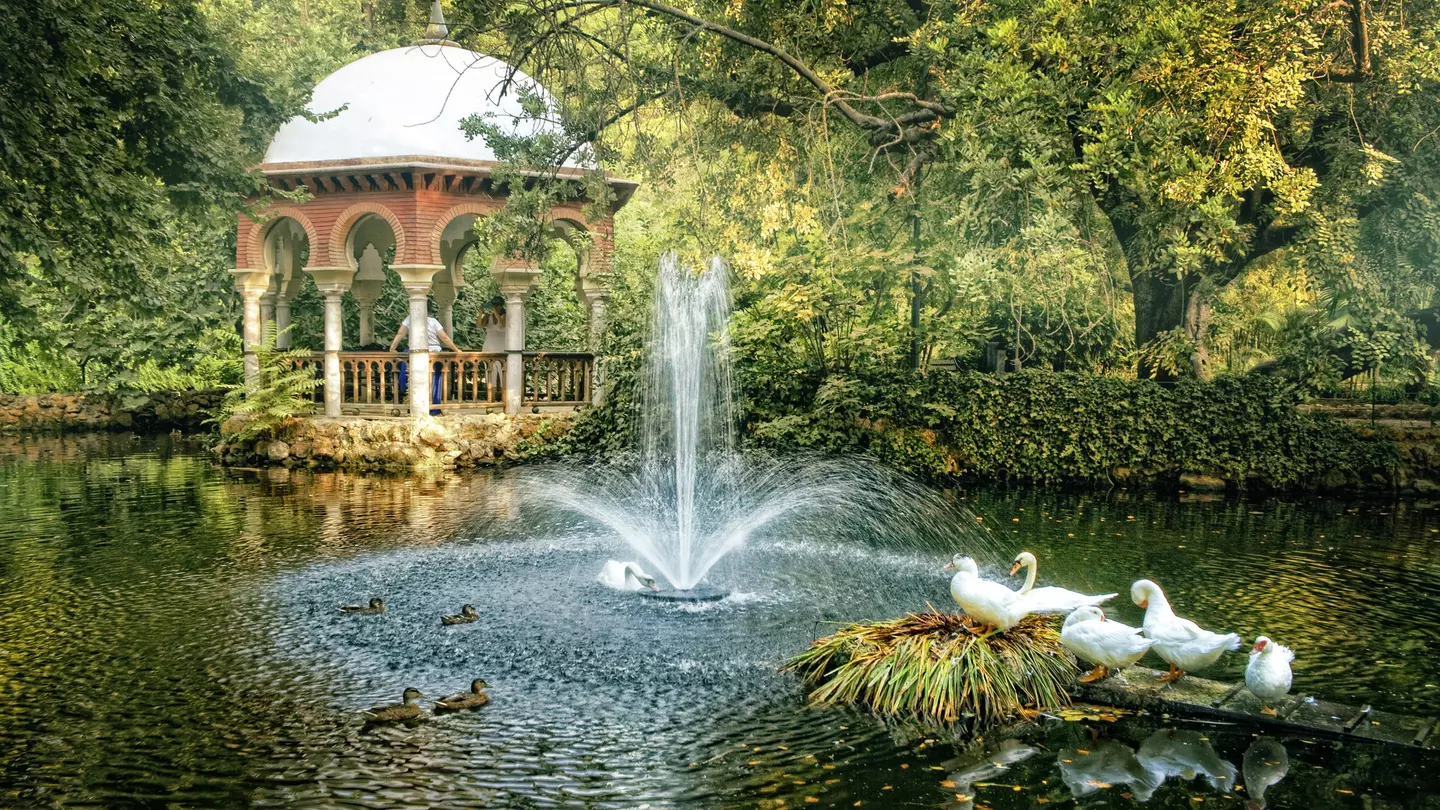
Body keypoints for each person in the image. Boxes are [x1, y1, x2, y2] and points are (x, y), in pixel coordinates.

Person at [389, 300, 461, 414]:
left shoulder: (410, 319)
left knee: (414, 378)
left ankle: (414, 407)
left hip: (415, 352)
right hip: (434, 353)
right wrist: (456, 349)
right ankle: (433, 408)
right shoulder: (433, 321)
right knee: (434, 379)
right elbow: (444, 337)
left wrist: (392, 348)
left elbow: (400, 334)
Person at [477, 296, 507, 393]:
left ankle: (504, 398)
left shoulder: (505, 315)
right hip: (489, 346)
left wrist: (495, 313)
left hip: (501, 347)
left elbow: (503, 324)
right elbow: (479, 325)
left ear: (501, 306)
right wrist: (481, 312)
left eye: (497, 305)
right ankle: (491, 398)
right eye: (494, 305)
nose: (496, 307)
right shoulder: (488, 317)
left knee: (503, 372)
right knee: (490, 372)